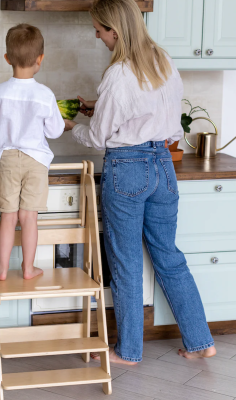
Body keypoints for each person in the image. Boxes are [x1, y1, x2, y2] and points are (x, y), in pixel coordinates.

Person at [64, 0, 216, 364]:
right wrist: (97, 105)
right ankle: (201, 342)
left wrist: (72, 127)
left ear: (115, 31)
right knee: (170, 257)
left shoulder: (117, 72)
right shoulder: (162, 59)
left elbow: (100, 137)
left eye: (99, 30)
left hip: (128, 168)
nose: (97, 36)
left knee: (127, 262)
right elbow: (146, 108)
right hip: (163, 165)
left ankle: (129, 351)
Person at [0, 24, 64, 281]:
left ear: (7, 59)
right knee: (29, 217)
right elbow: (55, 131)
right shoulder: (45, 95)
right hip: (36, 161)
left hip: (7, 159)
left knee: (8, 216)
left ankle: (2, 270)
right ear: (40, 60)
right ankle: (28, 269)